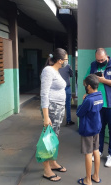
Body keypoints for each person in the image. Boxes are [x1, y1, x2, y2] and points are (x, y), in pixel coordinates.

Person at [85, 48, 111, 167]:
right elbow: (87, 80)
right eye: (98, 60)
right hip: (98, 105)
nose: (100, 61)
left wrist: (104, 80)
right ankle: (99, 151)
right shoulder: (93, 65)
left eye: (102, 59)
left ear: (106, 56)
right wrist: (87, 92)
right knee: (98, 130)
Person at [40, 48, 68, 182]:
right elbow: (44, 94)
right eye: (66, 59)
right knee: (49, 138)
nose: (66, 61)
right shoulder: (48, 71)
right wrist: (46, 117)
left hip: (58, 108)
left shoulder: (55, 71)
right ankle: (46, 170)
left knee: (54, 137)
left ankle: (52, 162)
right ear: (60, 60)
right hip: (52, 108)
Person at [76, 74, 103, 185]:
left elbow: (79, 113)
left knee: (88, 153)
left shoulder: (88, 100)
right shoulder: (100, 96)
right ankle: (96, 176)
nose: (85, 87)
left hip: (87, 129)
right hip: (96, 127)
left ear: (90, 86)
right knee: (96, 151)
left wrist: (84, 100)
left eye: (86, 85)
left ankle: (88, 180)